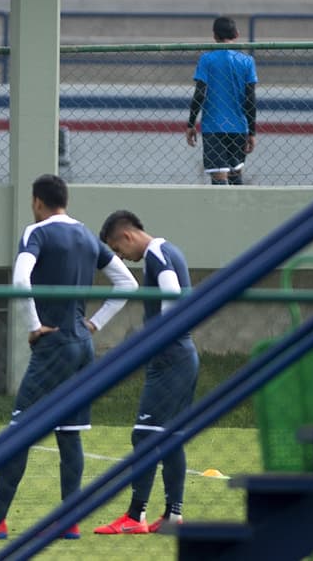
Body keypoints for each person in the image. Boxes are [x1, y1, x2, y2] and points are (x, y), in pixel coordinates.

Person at [0, 173, 138, 540]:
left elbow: (20, 279)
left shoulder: (38, 233)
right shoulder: (86, 236)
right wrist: (94, 324)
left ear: (36, 202)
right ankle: (69, 520)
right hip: (83, 346)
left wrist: (34, 325)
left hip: (53, 344)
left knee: (19, 430)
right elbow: (128, 283)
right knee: (70, 433)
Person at [94, 209, 198, 535]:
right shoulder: (170, 250)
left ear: (126, 236)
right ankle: (172, 515)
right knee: (170, 437)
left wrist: (158, 336)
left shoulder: (156, 255)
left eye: (118, 249)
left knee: (145, 434)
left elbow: (171, 297)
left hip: (170, 356)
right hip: (181, 355)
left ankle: (135, 516)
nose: (122, 257)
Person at [186, 16, 257, 185]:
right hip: (239, 127)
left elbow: (200, 93)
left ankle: (221, 209)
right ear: (237, 34)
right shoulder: (247, 61)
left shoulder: (207, 59)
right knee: (235, 175)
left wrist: (191, 123)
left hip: (213, 127)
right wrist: (252, 131)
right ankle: (238, 210)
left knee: (219, 180)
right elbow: (250, 99)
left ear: (214, 36)